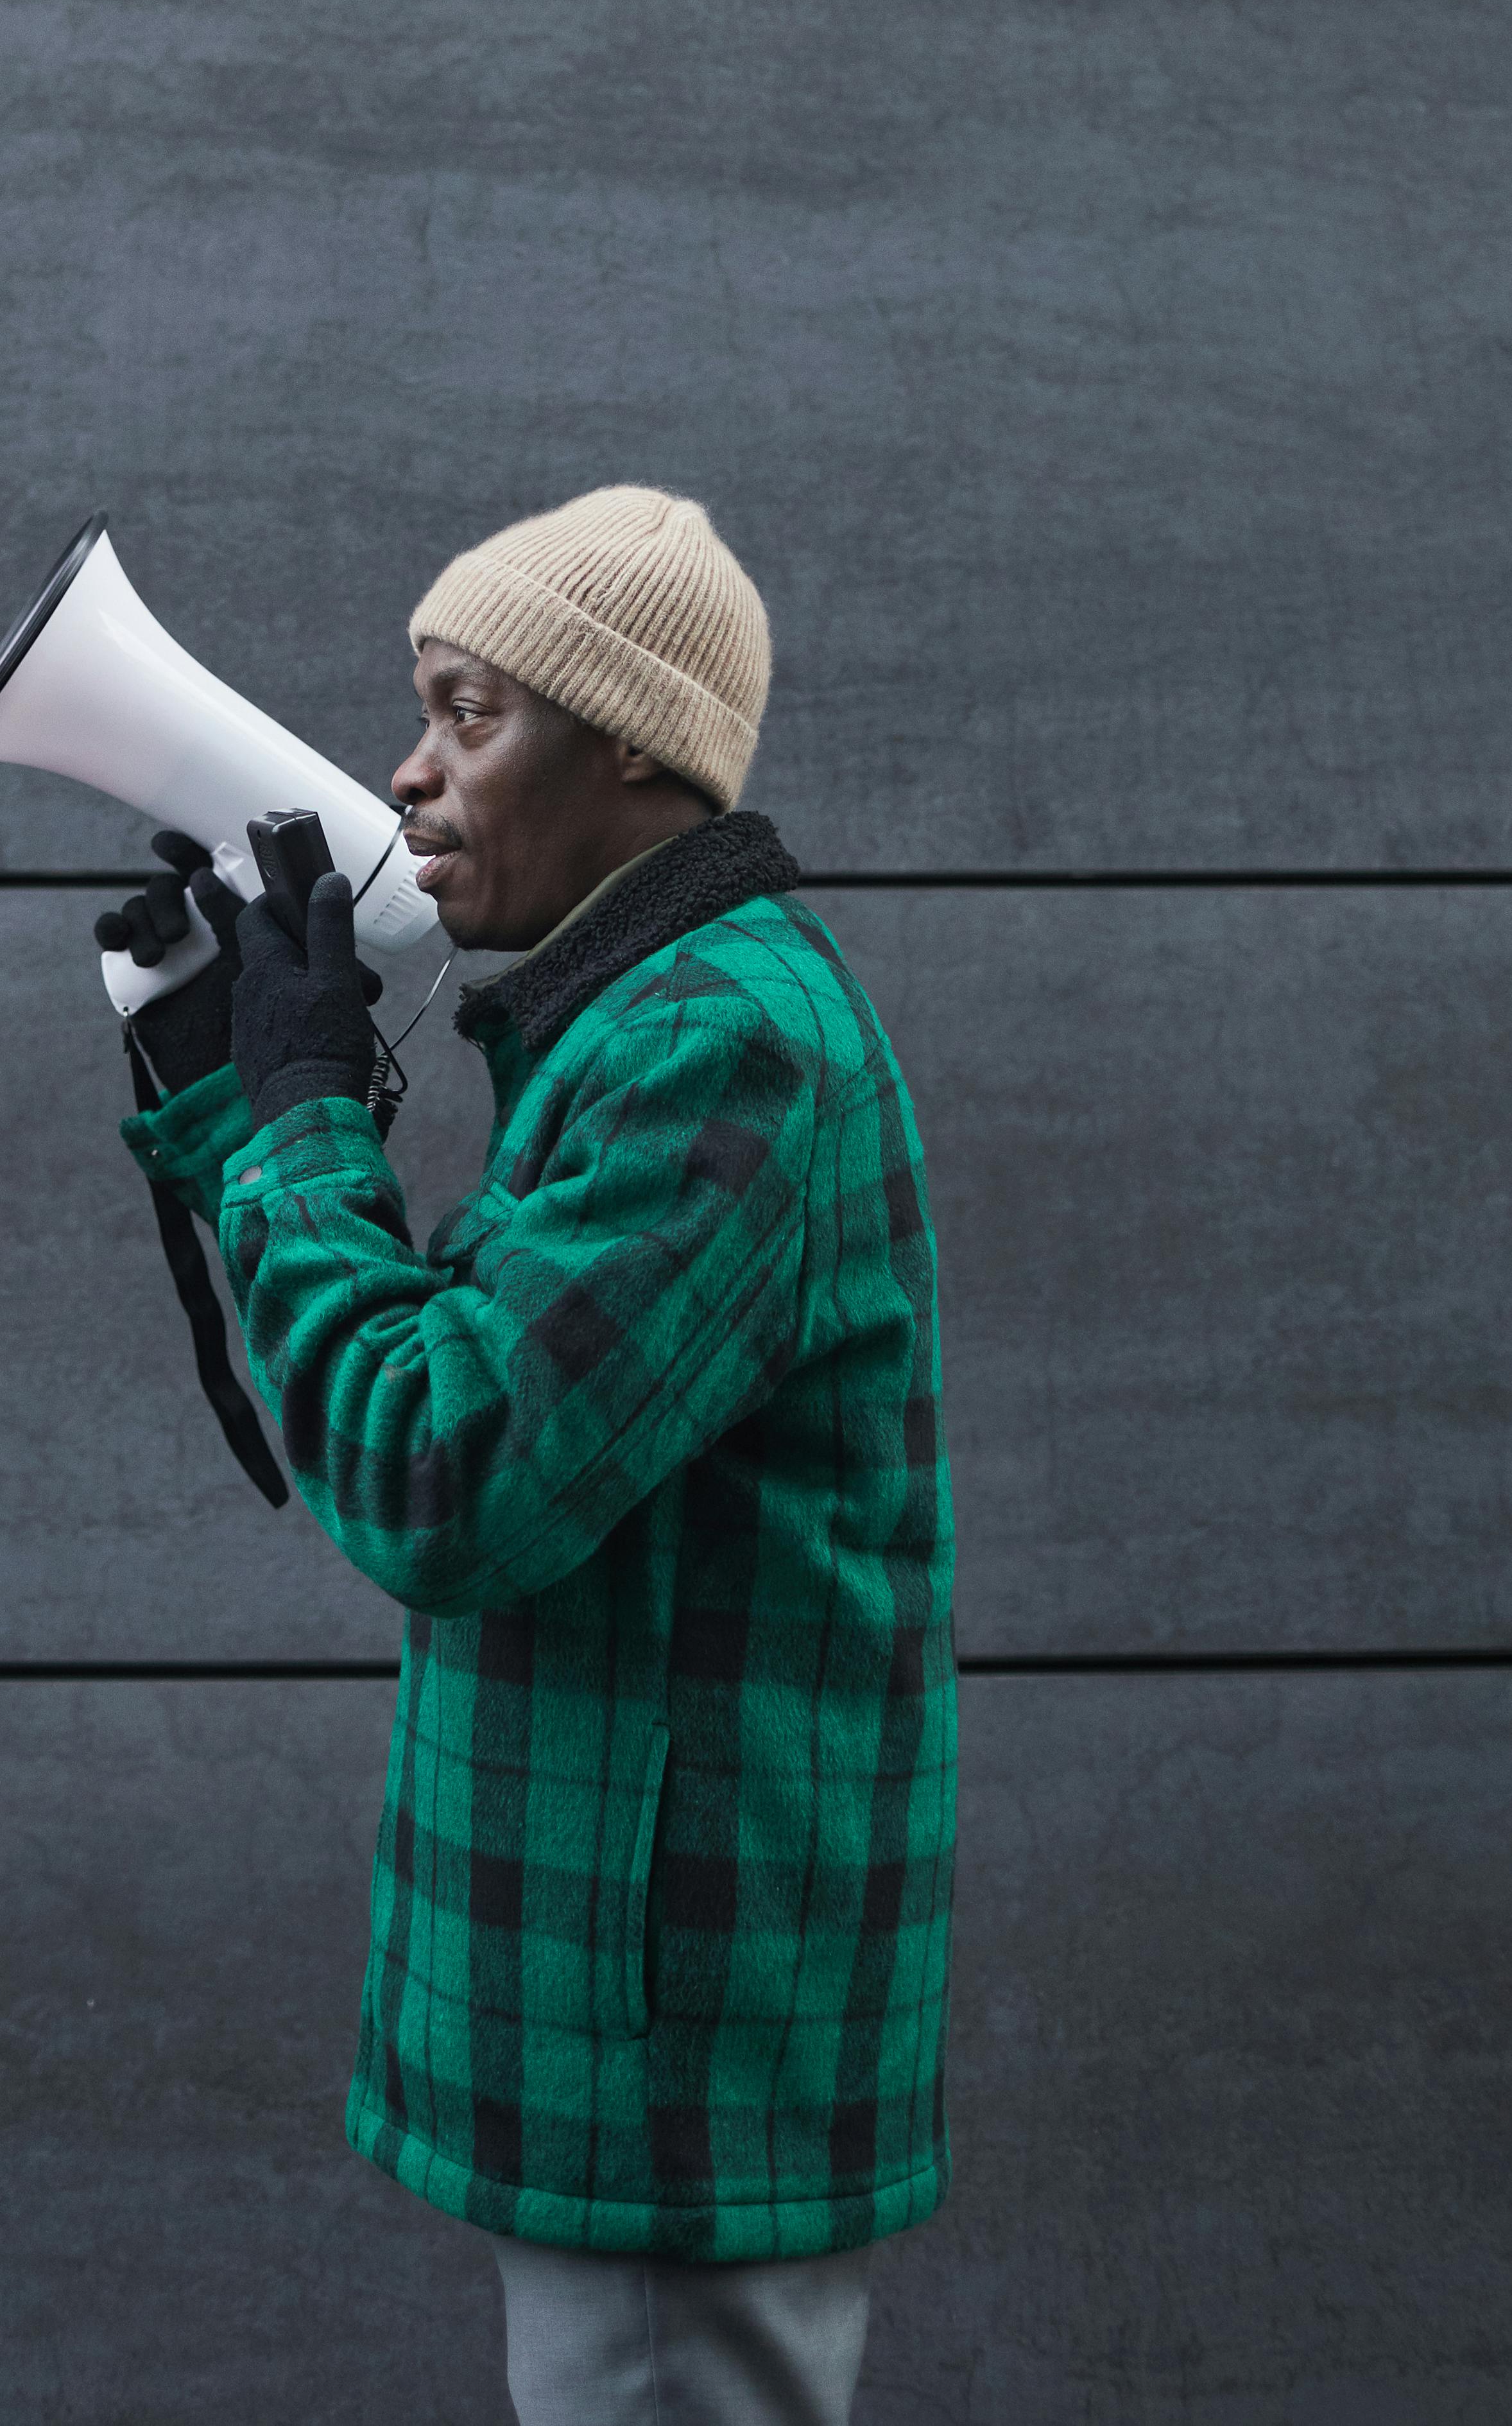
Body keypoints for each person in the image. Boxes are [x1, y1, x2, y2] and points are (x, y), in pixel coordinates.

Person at [101, 487, 956, 2426]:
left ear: (631, 738)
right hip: (630, 2011)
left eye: (468, 711)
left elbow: (436, 1466)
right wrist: (236, 1088)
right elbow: (453, 1370)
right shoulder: (640, 1027)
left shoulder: (721, 1050)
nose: (409, 768)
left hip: (666, 2049)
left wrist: (303, 1116)